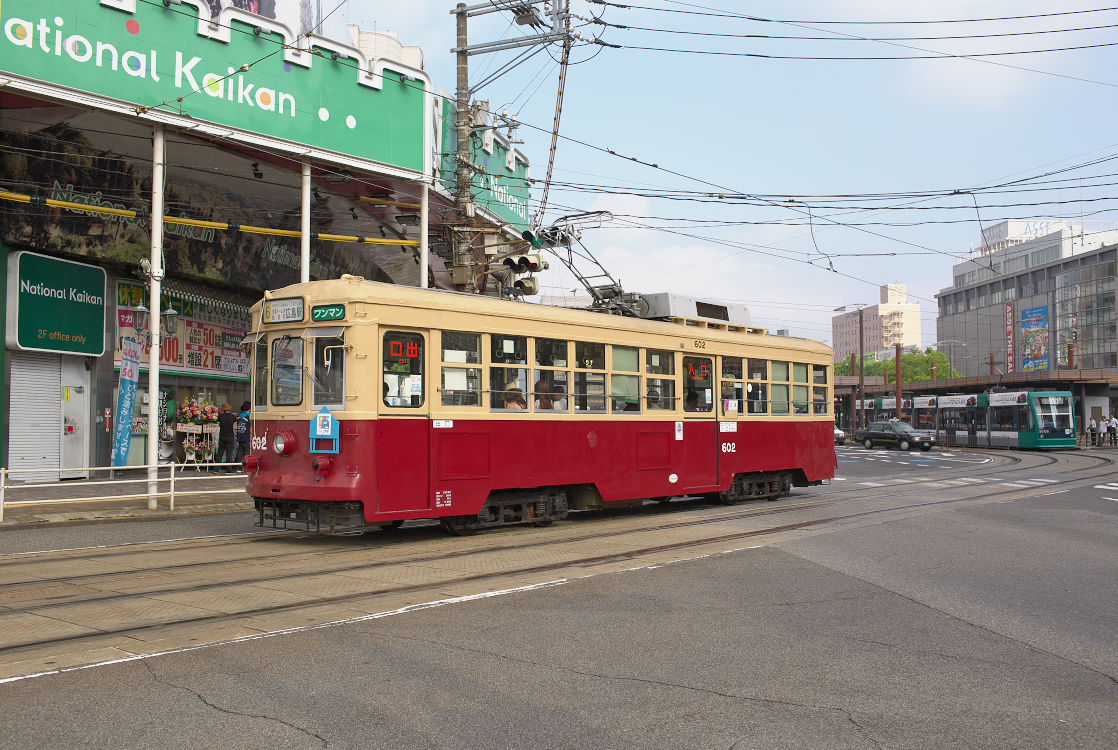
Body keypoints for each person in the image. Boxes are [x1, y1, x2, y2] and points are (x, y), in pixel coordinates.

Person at [216, 402, 238, 471]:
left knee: (220, 453)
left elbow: (218, 423)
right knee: (229, 453)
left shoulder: (220, 417)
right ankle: (229, 469)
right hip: (230, 436)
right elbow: (235, 424)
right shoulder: (233, 417)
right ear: (229, 409)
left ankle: (216, 469)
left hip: (222, 436)